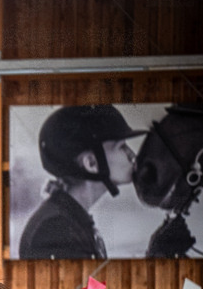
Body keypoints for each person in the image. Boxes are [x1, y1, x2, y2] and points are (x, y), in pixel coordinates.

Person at [18, 104, 146, 260]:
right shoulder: (55, 229)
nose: (132, 155)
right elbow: (82, 284)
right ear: (91, 163)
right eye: (122, 147)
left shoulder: (69, 220)